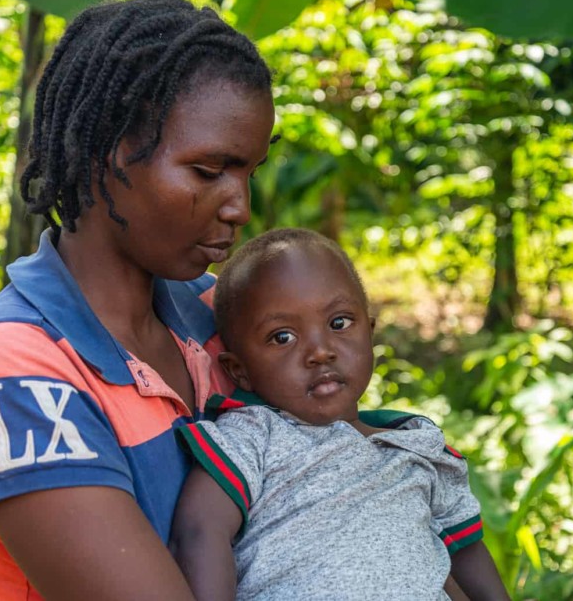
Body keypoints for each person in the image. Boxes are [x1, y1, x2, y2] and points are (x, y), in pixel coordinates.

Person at [0, 0, 275, 600]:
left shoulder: (215, 313)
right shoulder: (11, 372)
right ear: (106, 152)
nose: (240, 207)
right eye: (207, 171)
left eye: (248, 173)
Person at [169, 228, 512, 601]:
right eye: (282, 337)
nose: (320, 351)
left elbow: (467, 551)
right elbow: (200, 531)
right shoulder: (253, 435)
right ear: (239, 371)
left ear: (370, 332)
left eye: (339, 323)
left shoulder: (417, 445)